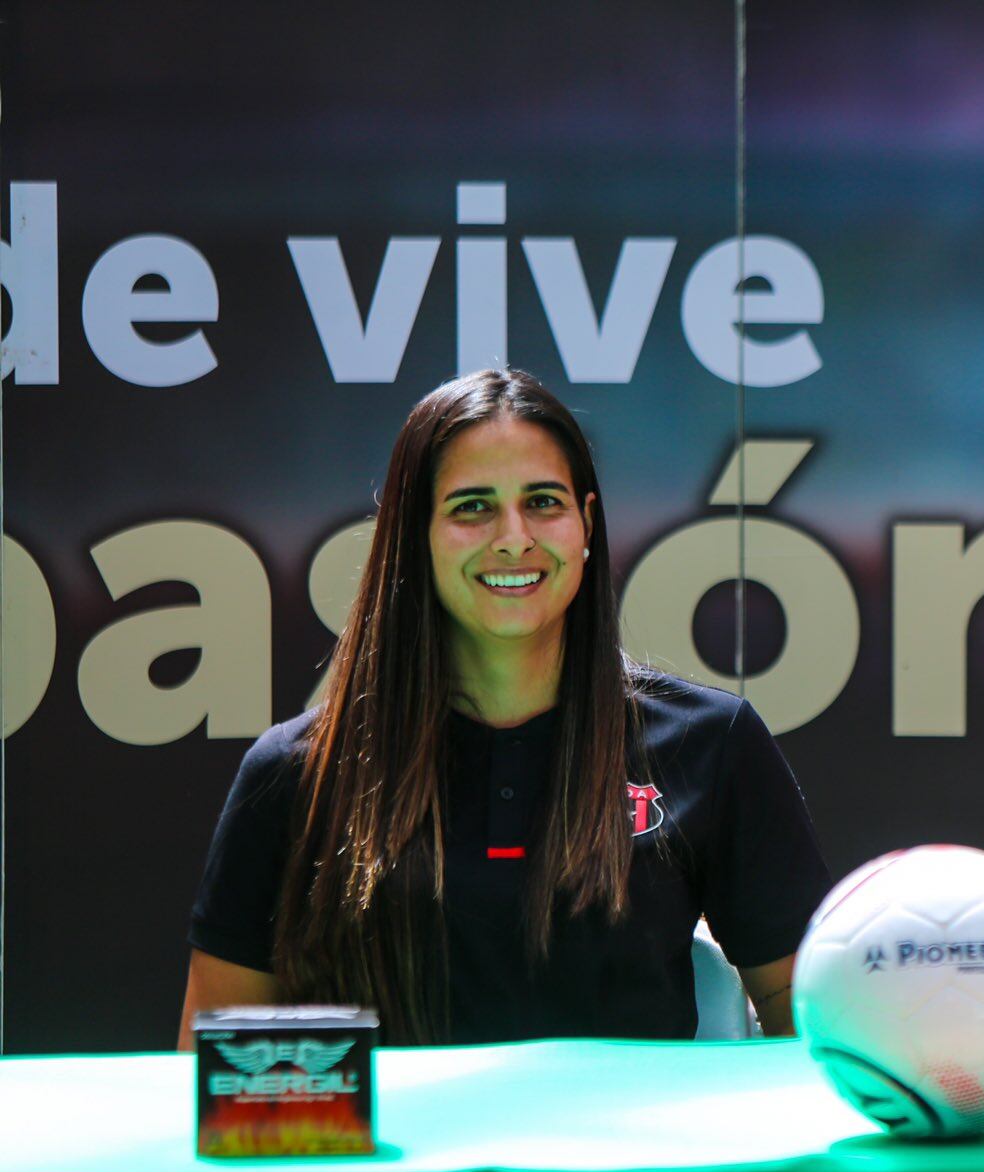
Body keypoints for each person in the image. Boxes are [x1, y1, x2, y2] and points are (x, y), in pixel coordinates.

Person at [178, 369, 830, 1047]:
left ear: (586, 523)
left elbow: (808, 1029)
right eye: (471, 507)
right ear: (413, 535)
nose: (513, 536)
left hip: (631, 1159)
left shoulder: (711, 743)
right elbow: (213, 1067)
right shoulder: (295, 775)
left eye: (543, 501)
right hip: (399, 1157)